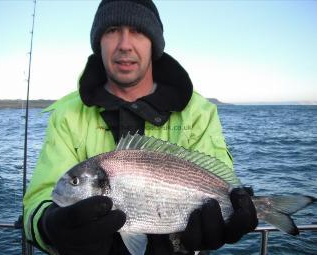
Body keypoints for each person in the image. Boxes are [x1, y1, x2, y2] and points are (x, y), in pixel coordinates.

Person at [23, 0, 258, 254]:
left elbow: (222, 180)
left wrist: (230, 215)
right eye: (112, 30)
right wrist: (48, 226)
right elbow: (41, 198)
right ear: (98, 42)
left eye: (138, 31)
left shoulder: (199, 112)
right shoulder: (67, 114)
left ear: (153, 43)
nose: (125, 44)